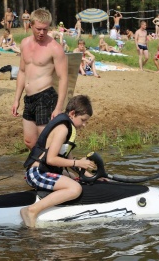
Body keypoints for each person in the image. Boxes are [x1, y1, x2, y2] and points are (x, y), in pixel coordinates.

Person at [20, 95, 95, 228]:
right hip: (37, 173)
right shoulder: (62, 129)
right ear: (72, 113)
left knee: (76, 179)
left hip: (45, 171)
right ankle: (31, 210)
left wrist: (93, 177)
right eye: (83, 120)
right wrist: (78, 163)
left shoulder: (67, 129)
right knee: (75, 188)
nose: (84, 125)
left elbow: (69, 161)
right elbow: (51, 159)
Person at [11, 8, 68, 150]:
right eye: (38, 29)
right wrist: (16, 99)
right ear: (30, 25)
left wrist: (59, 107)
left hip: (46, 96)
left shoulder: (55, 48)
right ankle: (40, 168)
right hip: (29, 97)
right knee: (29, 142)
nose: (42, 33)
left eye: (45, 29)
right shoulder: (24, 43)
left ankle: (54, 169)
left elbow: (63, 78)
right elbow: (22, 72)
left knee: (47, 142)